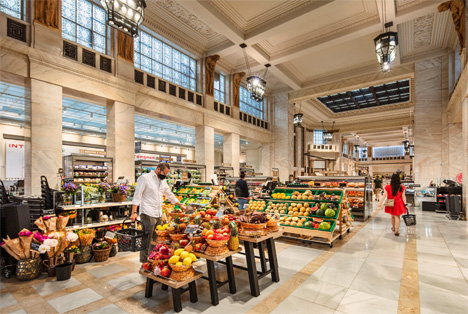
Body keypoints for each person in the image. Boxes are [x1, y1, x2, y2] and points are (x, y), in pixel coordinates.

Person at [131, 163, 186, 262]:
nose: (165, 176)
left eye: (166, 174)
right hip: (148, 212)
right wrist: (134, 212)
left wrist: (179, 204)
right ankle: (144, 262)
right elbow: (137, 195)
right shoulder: (145, 178)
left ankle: (154, 260)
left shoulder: (163, 181)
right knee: (147, 239)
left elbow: (168, 193)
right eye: (164, 173)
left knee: (158, 239)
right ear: (158, 169)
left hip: (158, 213)